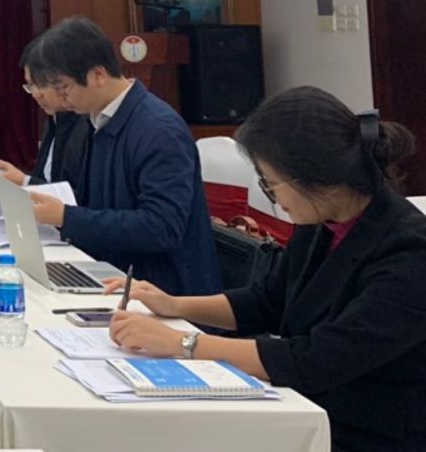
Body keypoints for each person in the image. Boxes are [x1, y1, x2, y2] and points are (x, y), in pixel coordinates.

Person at [107, 87, 426, 452]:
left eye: (271, 184)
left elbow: (316, 359)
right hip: (309, 407)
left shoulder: (409, 250)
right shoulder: (322, 221)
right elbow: (268, 301)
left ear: (314, 177)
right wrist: (175, 305)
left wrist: (184, 343)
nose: (274, 199)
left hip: (370, 432)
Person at [29, 16, 221, 296]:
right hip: (110, 274)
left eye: (64, 88)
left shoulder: (159, 129)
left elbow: (163, 227)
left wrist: (67, 217)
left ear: (98, 75)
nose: (61, 98)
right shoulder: (94, 120)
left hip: (161, 290)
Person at [0, 36, 91, 196]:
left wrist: (24, 181)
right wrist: (16, 177)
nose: (36, 94)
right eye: (30, 86)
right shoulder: (54, 121)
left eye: (41, 84)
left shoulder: (87, 126)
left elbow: (80, 196)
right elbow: (45, 179)